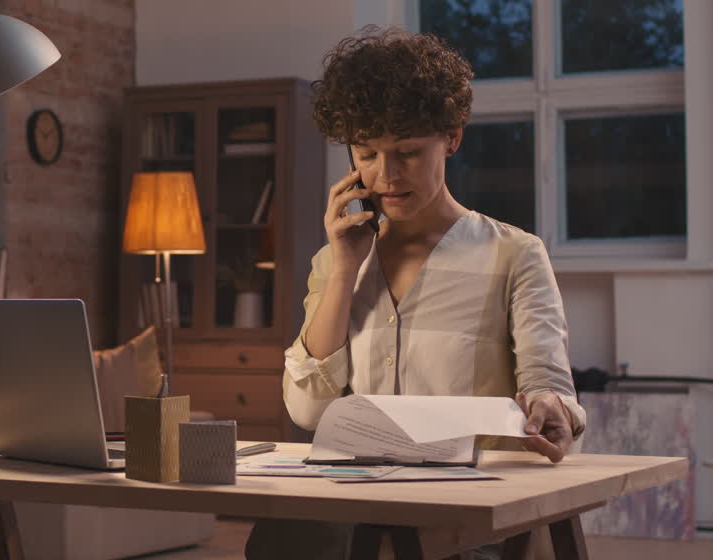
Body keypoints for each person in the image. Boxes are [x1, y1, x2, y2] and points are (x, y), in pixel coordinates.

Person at [245, 27, 585, 560]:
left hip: (467, 524)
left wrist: (549, 407)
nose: (386, 176)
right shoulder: (334, 261)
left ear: (451, 137)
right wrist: (343, 271)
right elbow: (308, 411)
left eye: (407, 152)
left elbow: (548, 382)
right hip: (357, 516)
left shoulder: (515, 255)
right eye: (366, 154)